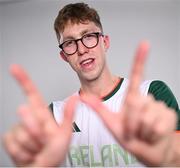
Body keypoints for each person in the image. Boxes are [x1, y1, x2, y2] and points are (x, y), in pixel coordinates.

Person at [3, 2, 180, 167]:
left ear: (105, 42)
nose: (81, 49)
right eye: (70, 43)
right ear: (65, 56)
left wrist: (169, 160)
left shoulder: (152, 93)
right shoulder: (55, 116)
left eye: (88, 36)